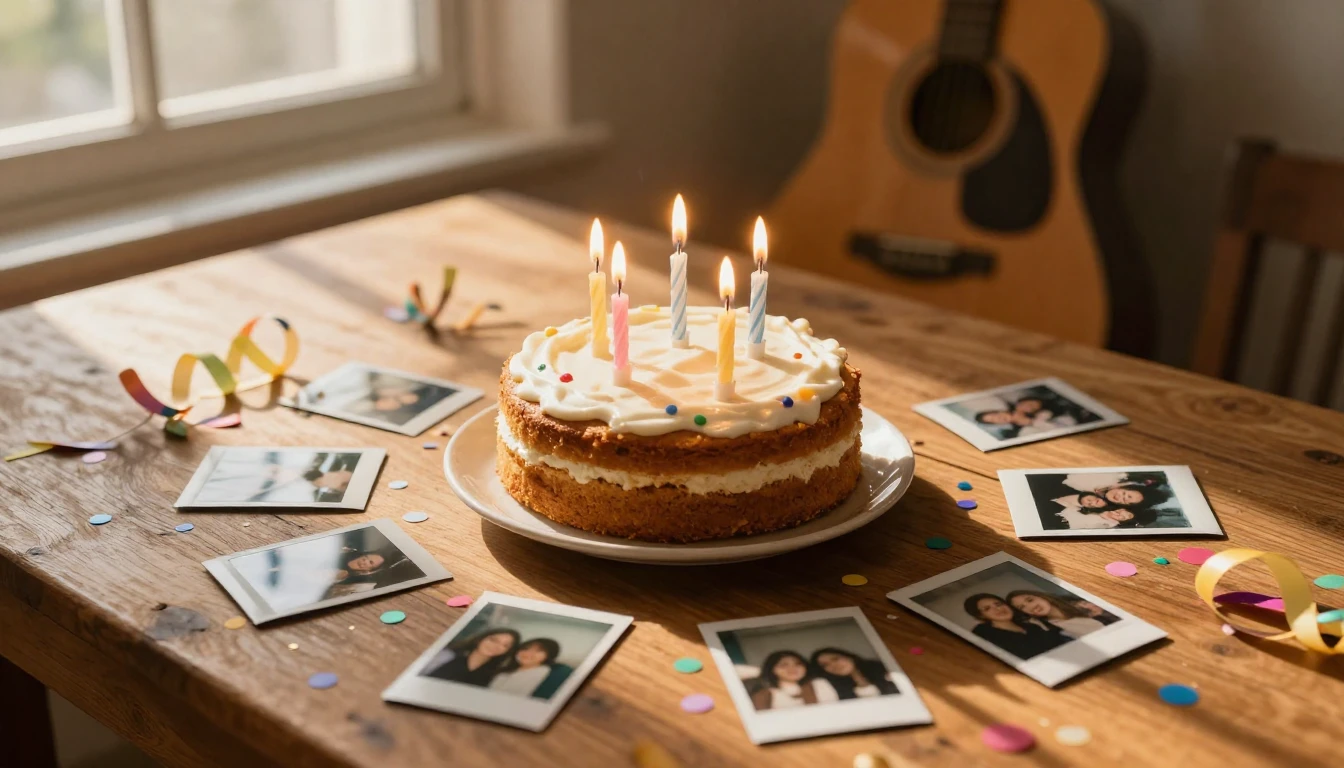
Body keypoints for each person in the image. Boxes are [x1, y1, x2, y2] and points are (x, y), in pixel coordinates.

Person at [963, 594, 1070, 659]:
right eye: (987, 608)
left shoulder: (1032, 626)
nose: (998, 609)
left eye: (998, 604)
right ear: (981, 615)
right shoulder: (982, 634)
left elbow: (1058, 642)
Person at [421, 628, 520, 686]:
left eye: (505, 645)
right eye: (493, 640)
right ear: (481, 639)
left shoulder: (493, 675)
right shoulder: (447, 655)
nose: (496, 646)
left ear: (507, 651)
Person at [748, 651, 839, 710]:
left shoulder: (819, 684)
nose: (792, 668)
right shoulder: (764, 695)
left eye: (798, 664)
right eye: (783, 665)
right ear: (772, 670)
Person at [1007, 590, 1106, 638]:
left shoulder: (1083, 606)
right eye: (1022, 607)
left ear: (1041, 596)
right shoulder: (1044, 627)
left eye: (1030, 600)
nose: (1030, 607)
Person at [811, 647, 898, 699]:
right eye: (825, 665)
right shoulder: (834, 688)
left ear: (848, 656)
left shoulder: (882, 667)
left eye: (835, 659)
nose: (833, 665)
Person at [490, 638, 563, 698]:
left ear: (548, 656)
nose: (529, 653)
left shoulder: (544, 673)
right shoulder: (505, 670)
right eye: (526, 648)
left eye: (538, 650)